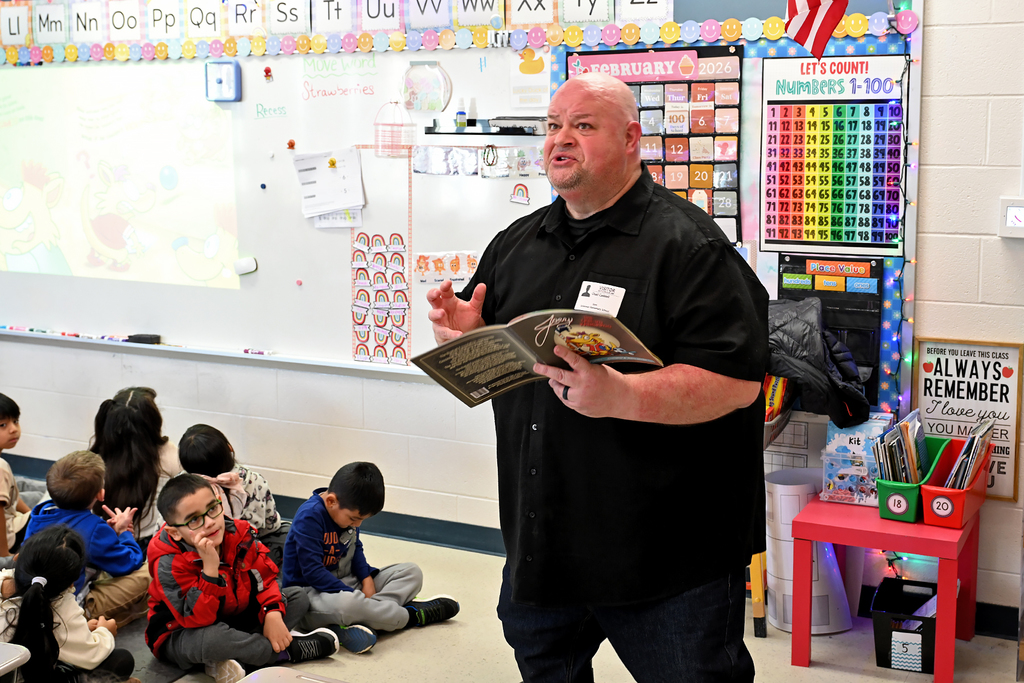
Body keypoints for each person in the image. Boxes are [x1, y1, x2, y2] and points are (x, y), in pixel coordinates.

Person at [425, 72, 769, 683]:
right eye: (553, 125)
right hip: (544, 544)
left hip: (666, 561)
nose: (560, 140)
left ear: (633, 139)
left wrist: (625, 396)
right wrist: (466, 336)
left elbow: (739, 382)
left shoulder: (689, 248)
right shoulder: (516, 244)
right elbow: (505, 361)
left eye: (583, 126)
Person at [146, 474, 338, 683]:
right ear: (174, 532)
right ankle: (284, 651)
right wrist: (210, 571)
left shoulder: (237, 533)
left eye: (212, 509)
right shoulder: (168, 561)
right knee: (212, 639)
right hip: (183, 632)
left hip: (232, 618)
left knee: (297, 597)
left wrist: (272, 612)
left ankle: (238, 658)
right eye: (194, 520)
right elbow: (197, 619)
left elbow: (265, 577)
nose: (210, 522)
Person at [282, 461, 459, 652]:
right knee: (348, 605)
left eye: (361, 520)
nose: (357, 525)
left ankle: (365, 621)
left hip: (348, 582)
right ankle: (410, 615)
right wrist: (355, 596)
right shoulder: (309, 517)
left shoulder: (348, 510)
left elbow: (355, 549)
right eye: (353, 519)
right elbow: (313, 573)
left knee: (411, 572)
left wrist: (366, 580)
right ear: (331, 501)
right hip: (311, 595)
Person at [26, 450, 150, 628]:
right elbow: (128, 563)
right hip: (71, 607)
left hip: (35, 600)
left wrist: (107, 533)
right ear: (100, 494)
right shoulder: (94, 528)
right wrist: (124, 533)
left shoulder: (38, 515)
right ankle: (91, 622)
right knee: (149, 571)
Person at [0, 524, 137, 683]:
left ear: (17, 558)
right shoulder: (61, 607)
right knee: (121, 659)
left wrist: (81, 629)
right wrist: (104, 632)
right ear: (71, 583)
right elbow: (91, 654)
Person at [178, 424, 288, 565]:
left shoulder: (178, 491)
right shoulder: (255, 480)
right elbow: (271, 525)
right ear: (229, 448)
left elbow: (163, 530)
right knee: (287, 533)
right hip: (247, 558)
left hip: (197, 559)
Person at [90, 387, 182, 553]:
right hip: (151, 544)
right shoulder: (171, 455)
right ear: (153, 423)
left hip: (102, 539)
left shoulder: (96, 454)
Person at [0, 393, 31, 562]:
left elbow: (11, 498)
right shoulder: (0, 467)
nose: (13, 429)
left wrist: (31, 513)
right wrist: (4, 555)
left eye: (15, 421)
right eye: (2, 425)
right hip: (8, 539)